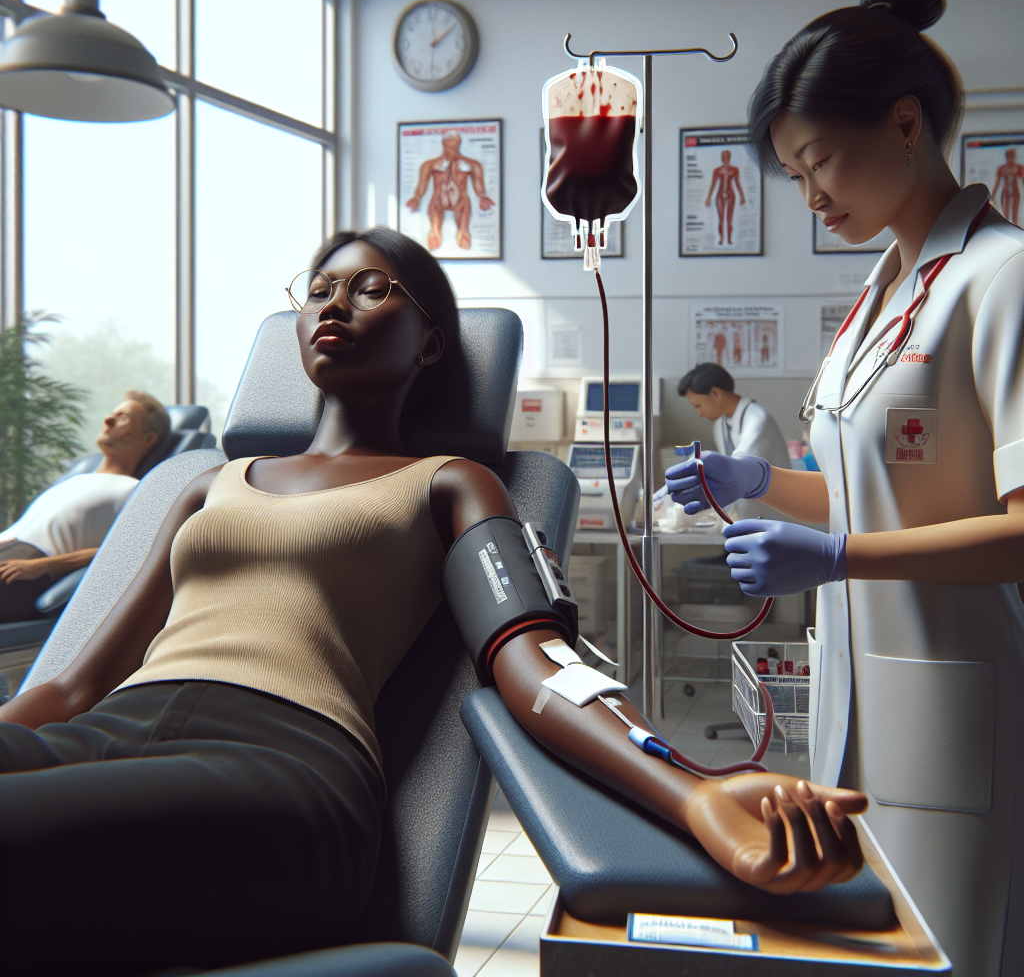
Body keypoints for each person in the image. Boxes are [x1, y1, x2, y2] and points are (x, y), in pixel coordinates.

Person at [0, 228, 866, 976]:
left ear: (428, 341)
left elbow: (539, 664)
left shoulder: (452, 483)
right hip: (103, 735)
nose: (335, 304)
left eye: (373, 289)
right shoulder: (210, 485)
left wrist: (693, 791)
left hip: (276, 770)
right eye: (321, 289)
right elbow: (71, 690)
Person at [666, 0, 1024, 977]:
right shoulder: (875, 301)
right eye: (792, 172)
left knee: (963, 948)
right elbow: (868, 498)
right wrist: (758, 487)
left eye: (819, 159)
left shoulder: (1002, 279)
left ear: (904, 123)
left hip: (962, 700)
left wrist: (832, 556)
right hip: (855, 697)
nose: (811, 194)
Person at [0, 391, 169, 623]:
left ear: (148, 438)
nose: (108, 420)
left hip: (24, 566)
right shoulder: (74, 479)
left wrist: (44, 566)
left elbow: (135, 551)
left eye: (123, 417)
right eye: (112, 414)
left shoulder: (136, 490)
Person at [675, 362, 790, 519]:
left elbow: (736, 473)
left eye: (698, 405)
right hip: (747, 514)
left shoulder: (757, 421)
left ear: (715, 393)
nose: (699, 412)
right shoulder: (721, 425)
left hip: (773, 514)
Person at [405, 131, 494, 252]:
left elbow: (478, 185)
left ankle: (463, 230)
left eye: (456, 146)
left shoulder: (472, 164)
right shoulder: (430, 164)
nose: (454, 150)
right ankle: (435, 230)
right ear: (444, 146)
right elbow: (422, 184)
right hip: (439, 201)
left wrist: (482, 197)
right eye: (451, 147)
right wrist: (417, 197)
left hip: (460, 202)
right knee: (435, 201)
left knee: (464, 201)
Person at [704, 149, 746, 245]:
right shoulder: (717, 170)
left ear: (730, 157)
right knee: (721, 219)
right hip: (720, 195)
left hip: (731, 194)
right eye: (724, 156)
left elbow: (737, 183)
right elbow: (713, 184)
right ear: (721, 158)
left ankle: (729, 239)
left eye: (727, 156)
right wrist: (708, 198)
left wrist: (742, 196)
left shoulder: (734, 170)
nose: (726, 158)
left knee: (729, 219)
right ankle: (721, 239)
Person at [992, 146, 1022, 227]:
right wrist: (992, 196)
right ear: (1006, 156)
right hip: (1006, 192)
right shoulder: (1002, 168)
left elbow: (1023, 180)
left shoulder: (1018, 167)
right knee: (1006, 217)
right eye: (1009, 155)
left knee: (1014, 217)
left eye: (1012, 156)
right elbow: (997, 183)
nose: (1010, 157)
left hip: (1015, 192)